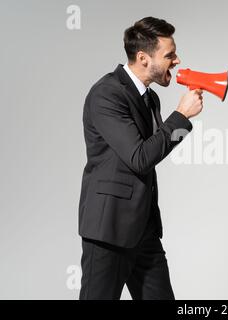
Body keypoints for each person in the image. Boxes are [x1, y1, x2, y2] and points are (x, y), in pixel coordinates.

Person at [78, 16, 203, 300]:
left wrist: (183, 122)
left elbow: (155, 150)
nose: (177, 60)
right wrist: (181, 116)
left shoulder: (150, 98)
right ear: (144, 58)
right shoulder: (106, 93)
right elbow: (139, 158)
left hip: (144, 229)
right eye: (169, 55)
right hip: (108, 230)